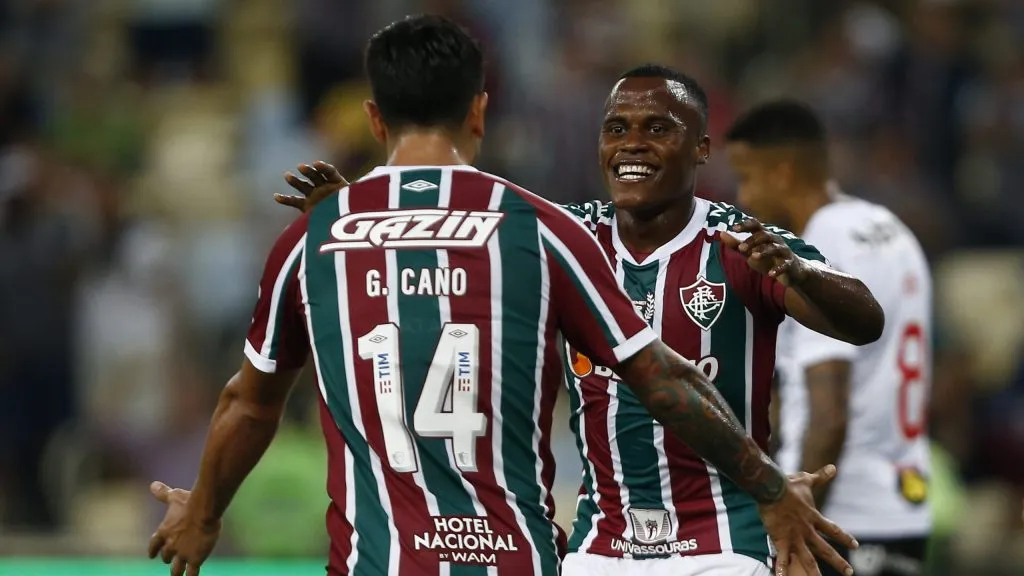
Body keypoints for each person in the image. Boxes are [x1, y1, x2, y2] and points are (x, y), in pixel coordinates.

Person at [147, 18, 855, 576]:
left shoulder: (313, 239)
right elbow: (662, 381)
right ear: (480, 112)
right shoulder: (540, 230)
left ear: (373, 118)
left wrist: (203, 514)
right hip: (518, 560)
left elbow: (249, 401)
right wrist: (767, 487)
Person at [724, 100, 932, 576]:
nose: (744, 196)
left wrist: (796, 526)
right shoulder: (890, 228)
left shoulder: (822, 246)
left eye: (747, 176)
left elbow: (830, 412)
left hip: (840, 516)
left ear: (782, 172)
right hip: (904, 508)